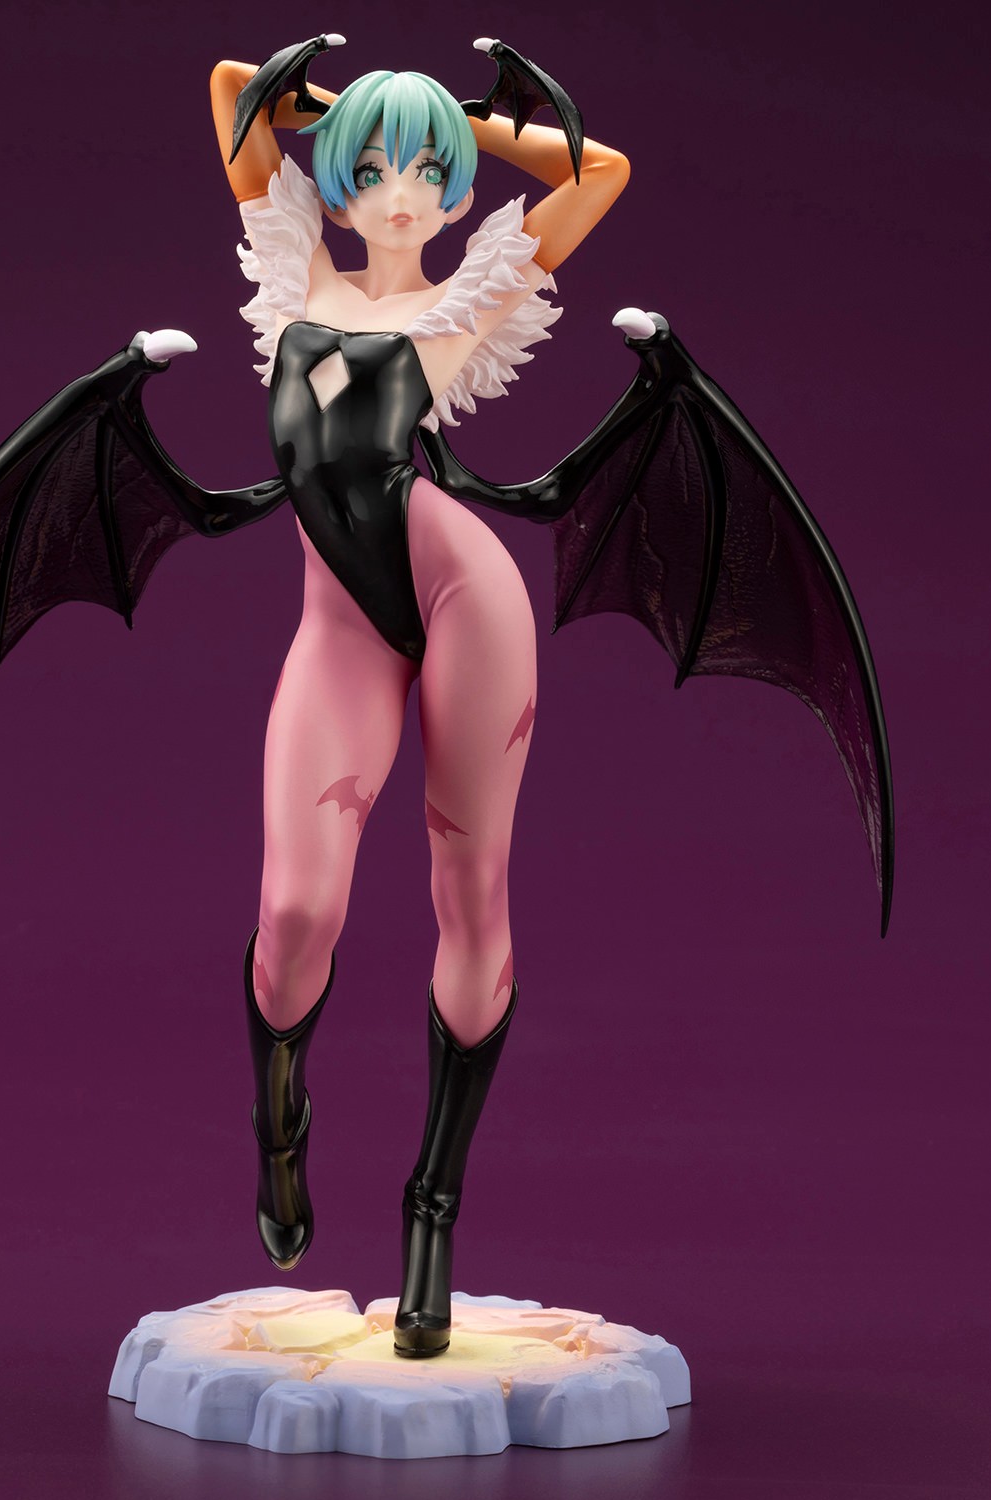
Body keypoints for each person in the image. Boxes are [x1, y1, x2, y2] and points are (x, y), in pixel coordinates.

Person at [209, 36, 629, 1358]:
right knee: (295, 909)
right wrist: (365, 112)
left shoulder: (470, 304)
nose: (403, 194)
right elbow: (232, 91)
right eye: (376, 169)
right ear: (337, 181)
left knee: (471, 895)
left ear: (456, 196)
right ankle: (281, 1115)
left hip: (465, 603)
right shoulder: (294, 274)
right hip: (340, 624)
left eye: (429, 172)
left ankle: (432, 1207)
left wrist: (463, 121)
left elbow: (602, 171)